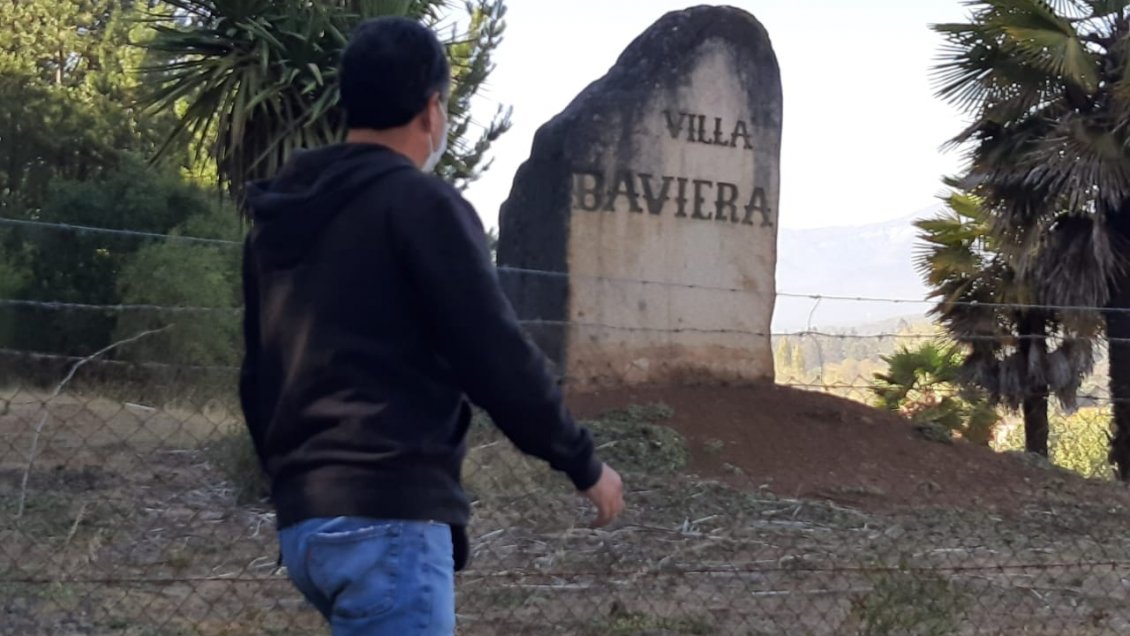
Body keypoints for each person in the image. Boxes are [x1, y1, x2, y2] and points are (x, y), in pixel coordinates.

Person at [238, 15, 624, 636]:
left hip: (305, 523)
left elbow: (258, 373)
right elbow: (496, 355)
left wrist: (292, 485)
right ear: (432, 109)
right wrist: (583, 464)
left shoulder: (281, 217)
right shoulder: (422, 207)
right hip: (388, 517)